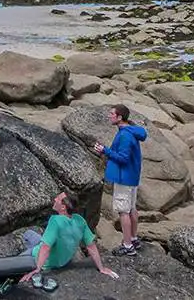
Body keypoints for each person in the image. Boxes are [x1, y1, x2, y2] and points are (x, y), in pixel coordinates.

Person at [20, 192, 119, 289]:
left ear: (63, 207)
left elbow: (46, 248)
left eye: (58, 199)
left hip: (46, 261)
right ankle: (40, 239)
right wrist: (101, 268)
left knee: (21, 255)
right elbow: (91, 246)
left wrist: (37, 268)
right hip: (63, 260)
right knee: (30, 234)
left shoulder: (55, 220)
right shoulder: (80, 220)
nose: (55, 199)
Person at [93, 104, 148, 257]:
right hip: (132, 177)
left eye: (112, 114)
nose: (109, 116)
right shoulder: (130, 131)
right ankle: (134, 239)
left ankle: (128, 245)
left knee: (124, 211)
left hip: (124, 178)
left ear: (119, 117)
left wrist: (105, 150)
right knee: (132, 209)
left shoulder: (124, 135)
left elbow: (123, 158)